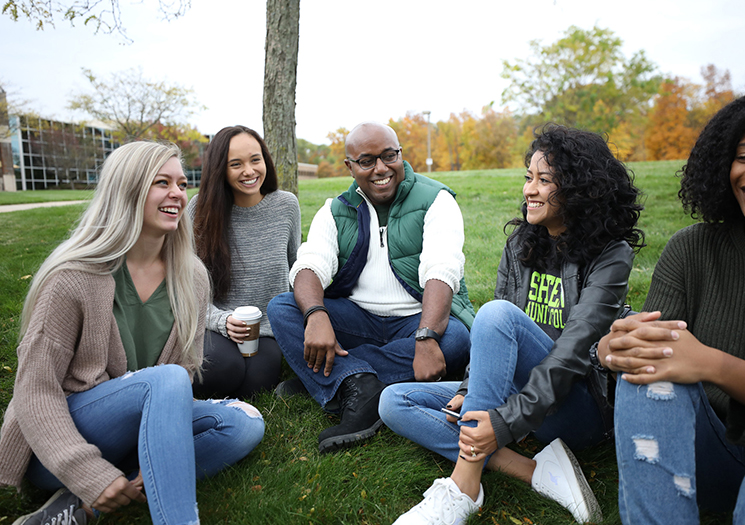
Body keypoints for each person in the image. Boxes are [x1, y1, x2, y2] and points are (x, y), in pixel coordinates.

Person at [383, 125, 645, 525]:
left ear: (578, 189)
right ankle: (536, 471)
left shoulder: (611, 255)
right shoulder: (521, 244)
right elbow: (493, 342)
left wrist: (505, 420)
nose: (529, 190)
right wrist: (472, 391)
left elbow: (575, 351)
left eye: (544, 181)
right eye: (528, 178)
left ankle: (464, 486)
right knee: (395, 402)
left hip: (577, 407)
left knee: (496, 314)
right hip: (512, 393)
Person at [0, 142, 265, 525]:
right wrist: (86, 470)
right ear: (127, 190)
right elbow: (35, 391)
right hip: (57, 445)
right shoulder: (73, 277)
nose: (177, 193)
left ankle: (86, 505)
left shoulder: (190, 277)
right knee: (167, 379)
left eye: (180, 182)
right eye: (162, 182)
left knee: (244, 424)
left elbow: (180, 375)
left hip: (136, 434)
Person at [599, 92, 745, 525]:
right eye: (744, 156)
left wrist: (714, 364)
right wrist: (614, 347)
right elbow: (654, 349)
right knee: (647, 373)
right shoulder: (693, 248)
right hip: (707, 454)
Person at [267, 122, 474, 454]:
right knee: (284, 307)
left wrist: (425, 337)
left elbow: (441, 269)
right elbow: (309, 265)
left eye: (389, 156)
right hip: (357, 319)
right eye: (367, 161)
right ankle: (359, 384)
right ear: (350, 167)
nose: (381, 168)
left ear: (400, 154)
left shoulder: (436, 200)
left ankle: (337, 378)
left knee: (455, 339)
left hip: (416, 320)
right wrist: (318, 315)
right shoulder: (335, 210)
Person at [190, 125, 301, 399]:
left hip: (265, 330)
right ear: (220, 170)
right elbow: (187, 284)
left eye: (255, 160)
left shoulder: (286, 205)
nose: (249, 171)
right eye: (235, 164)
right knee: (221, 371)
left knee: (255, 384)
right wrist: (220, 320)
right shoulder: (199, 209)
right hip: (213, 323)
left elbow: (294, 269)